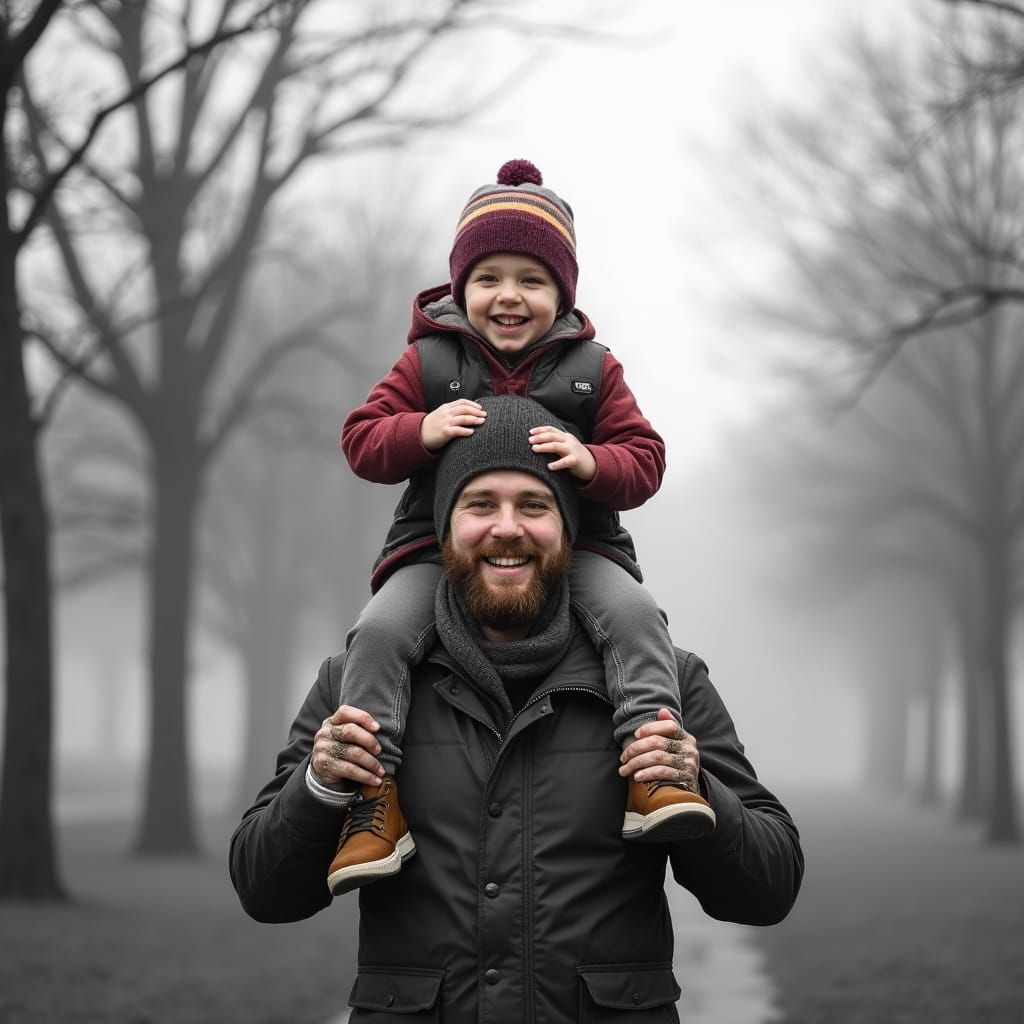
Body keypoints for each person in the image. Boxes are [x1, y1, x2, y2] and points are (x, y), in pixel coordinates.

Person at [229, 395, 803, 1022]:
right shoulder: (358, 683)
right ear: (444, 528)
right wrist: (321, 788)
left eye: (534, 505)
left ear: (569, 529)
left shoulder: (666, 680)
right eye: (480, 505)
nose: (507, 528)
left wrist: (701, 790)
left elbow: (769, 889)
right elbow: (264, 890)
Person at [326, 159, 713, 895]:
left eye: (532, 280)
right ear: (460, 288)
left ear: (562, 293)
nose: (510, 296)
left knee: (636, 618)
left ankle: (653, 770)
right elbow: (361, 440)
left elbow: (647, 459)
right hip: (433, 549)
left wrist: (591, 461)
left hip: (580, 549)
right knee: (377, 635)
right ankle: (372, 800)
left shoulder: (590, 371)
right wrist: (421, 429)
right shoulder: (428, 362)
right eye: (490, 277)